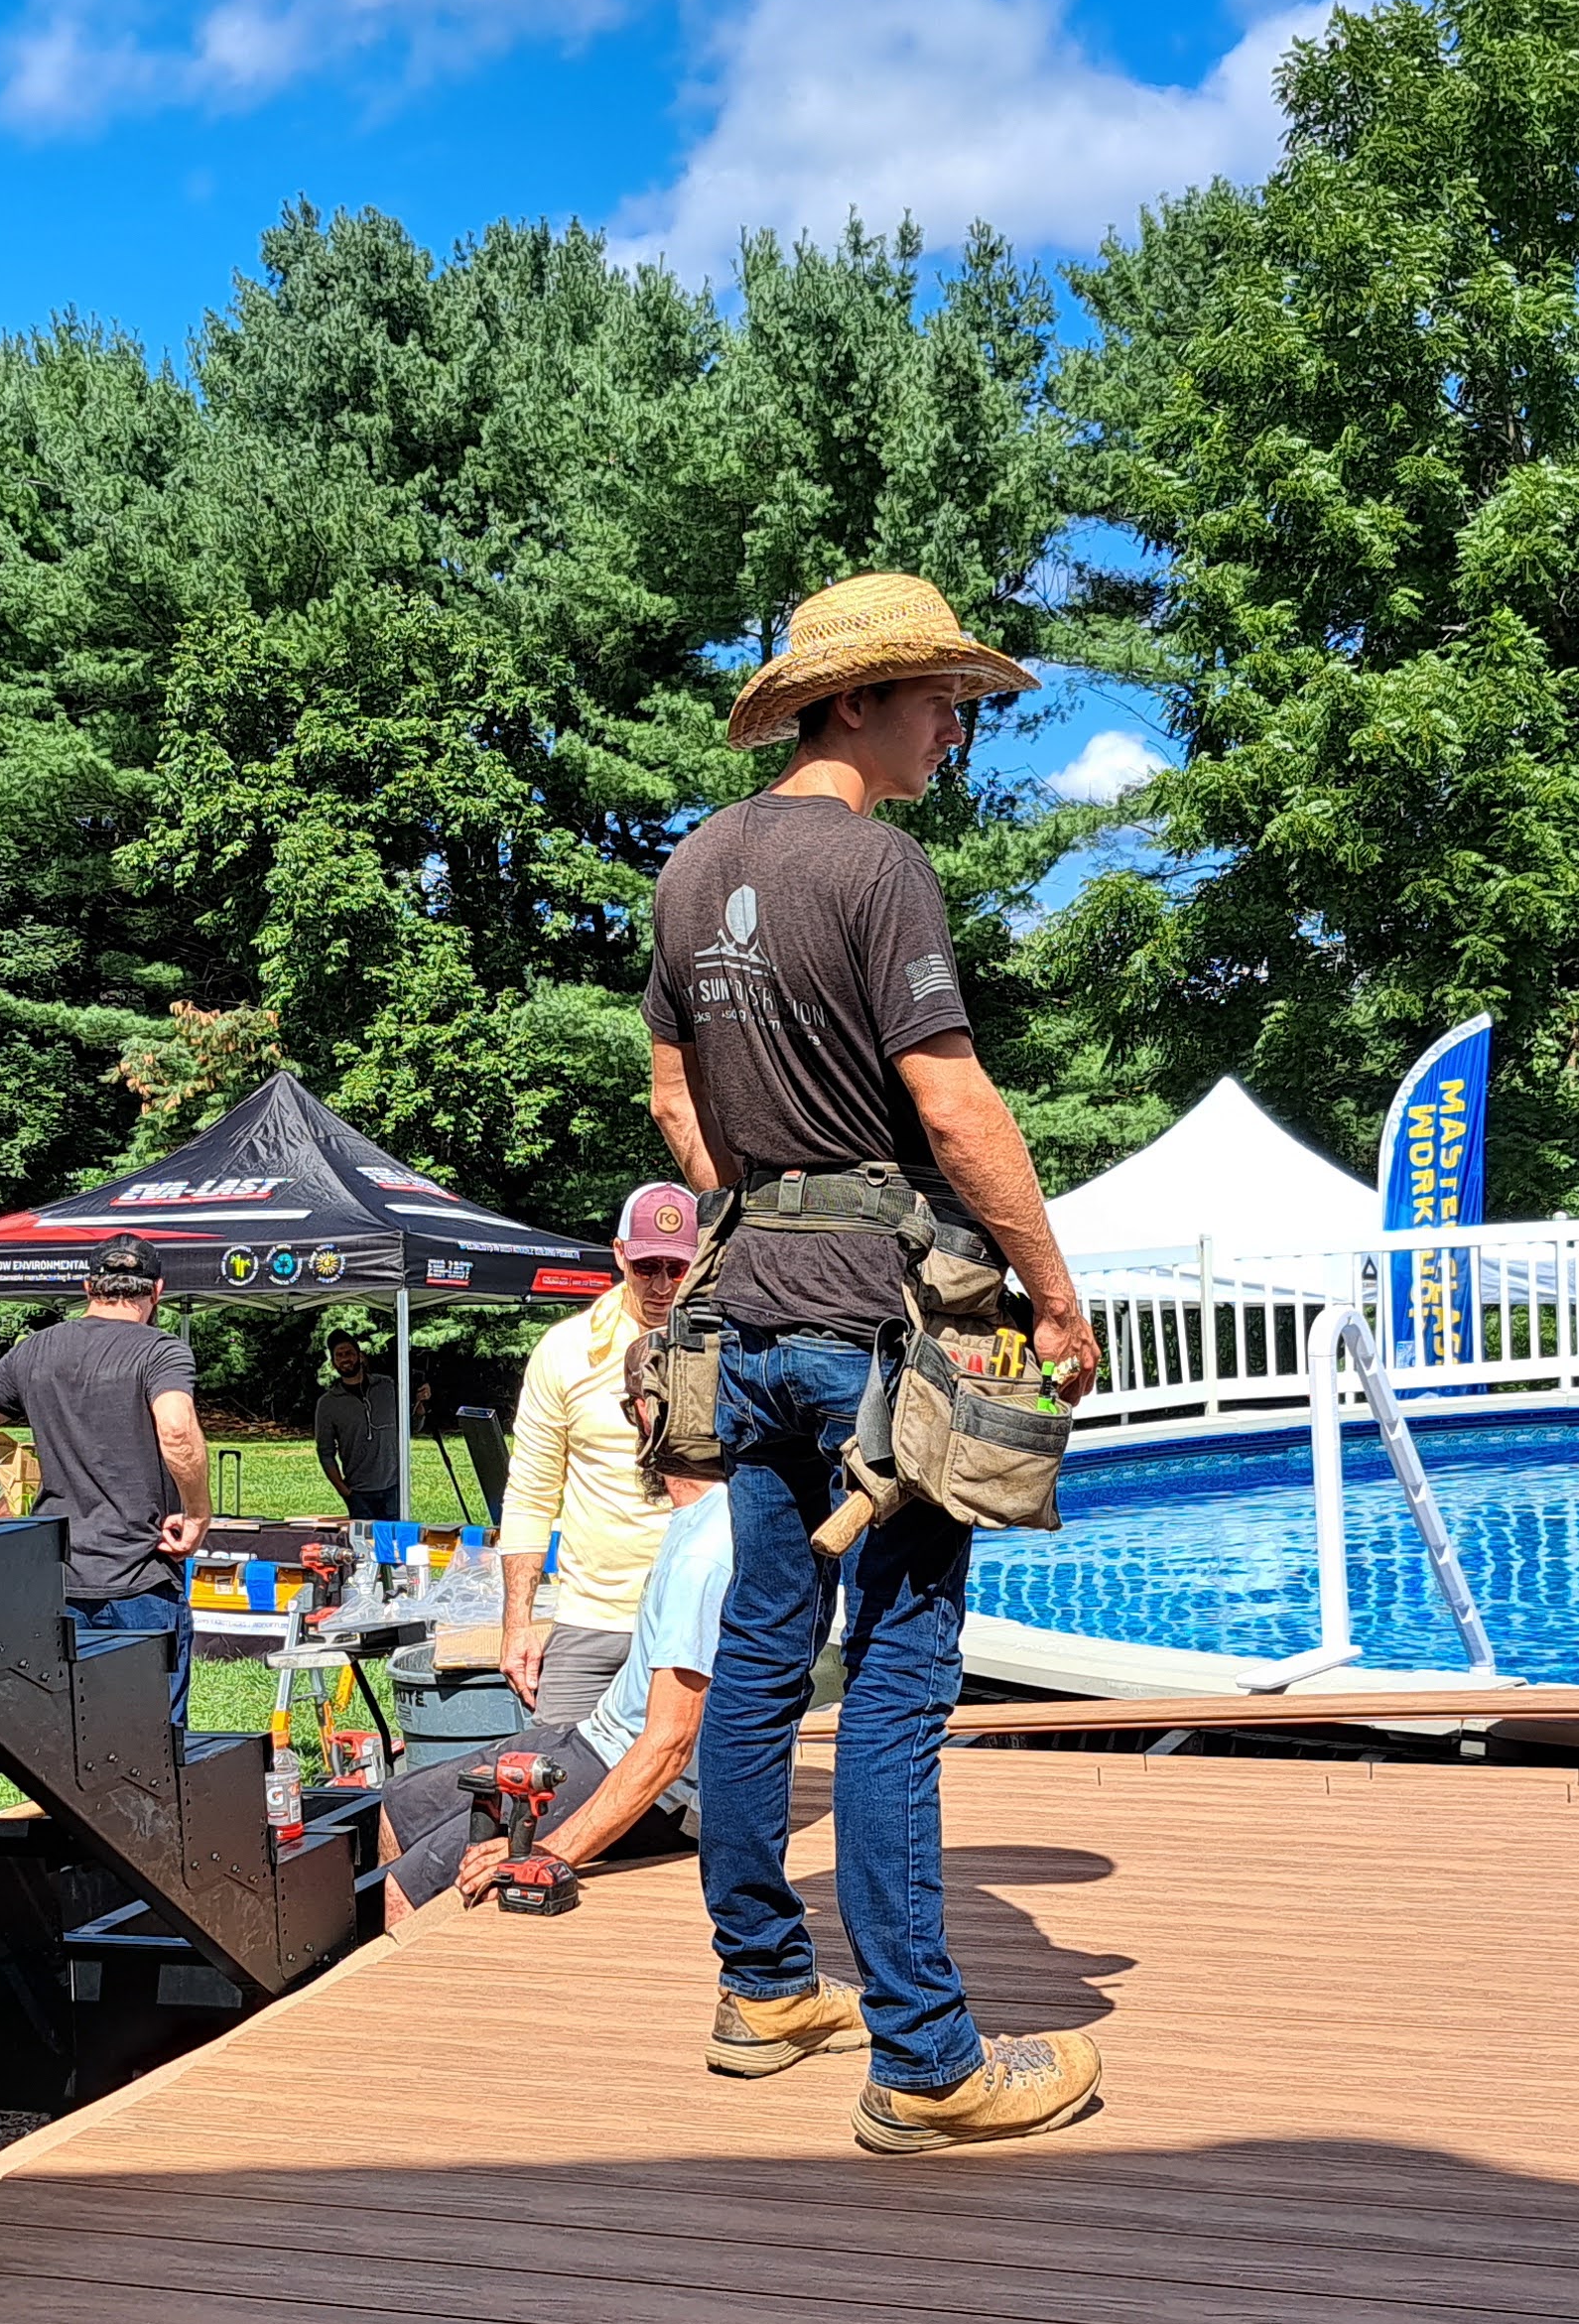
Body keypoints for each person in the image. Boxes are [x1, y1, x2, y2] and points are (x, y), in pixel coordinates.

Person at [647, 572, 1104, 2152]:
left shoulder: (692, 871)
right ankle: (926, 2061)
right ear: (855, 702)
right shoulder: (879, 869)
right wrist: (1051, 1291)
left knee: (768, 1645)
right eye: (940, 700)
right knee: (902, 1674)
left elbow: (671, 1098)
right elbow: (959, 1104)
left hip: (748, 1314)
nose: (957, 726)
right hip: (871, 1334)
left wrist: (762, 1202)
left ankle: (763, 1986)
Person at [389, 1405, 734, 1911]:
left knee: (419, 1878)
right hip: (595, 1738)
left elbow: (669, 1746)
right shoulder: (694, 1519)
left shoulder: (705, 1555)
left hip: (663, 1798)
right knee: (401, 1804)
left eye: (627, 1407)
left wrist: (553, 1852)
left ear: (649, 1417)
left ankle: (390, 1981)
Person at [0, 1237, 208, 1695]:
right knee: (153, 1734)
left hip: (54, 1574)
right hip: (141, 1574)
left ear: (88, 1286)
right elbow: (176, 1429)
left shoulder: (35, 1350)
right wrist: (197, 1515)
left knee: (66, 1728)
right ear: (156, 1291)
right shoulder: (160, 1351)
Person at [496, 1182, 703, 1733]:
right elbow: (530, 1493)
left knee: (691, 1805)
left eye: (677, 1269)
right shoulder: (566, 1350)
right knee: (554, 1783)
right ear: (619, 1254)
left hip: (699, 1618)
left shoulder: (730, 1347)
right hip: (593, 1617)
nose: (661, 1285)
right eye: (646, 1266)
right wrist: (518, 1621)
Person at [310, 1329, 402, 1522]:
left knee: (395, 1546)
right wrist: (345, 1491)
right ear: (334, 1363)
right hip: (359, 1493)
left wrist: (420, 1405)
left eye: (349, 1353)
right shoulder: (328, 1403)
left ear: (359, 1356)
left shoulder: (387, 1387)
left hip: (394, 1487)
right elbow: (325, 1453)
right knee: (363, 1549)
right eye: (339, 1355)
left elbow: (412, 1427)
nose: (345, 1359)